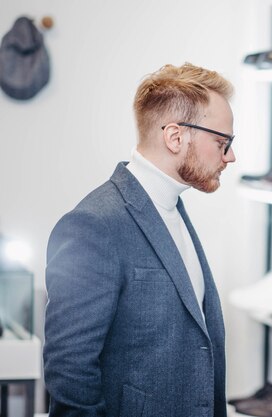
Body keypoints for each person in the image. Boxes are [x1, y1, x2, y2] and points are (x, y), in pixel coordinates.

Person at [43, 63, 235, 417]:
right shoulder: (93, 225)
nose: (230, 157)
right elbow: (70, 372)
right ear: (176, 137)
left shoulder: (173, 206)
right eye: (222, 142)